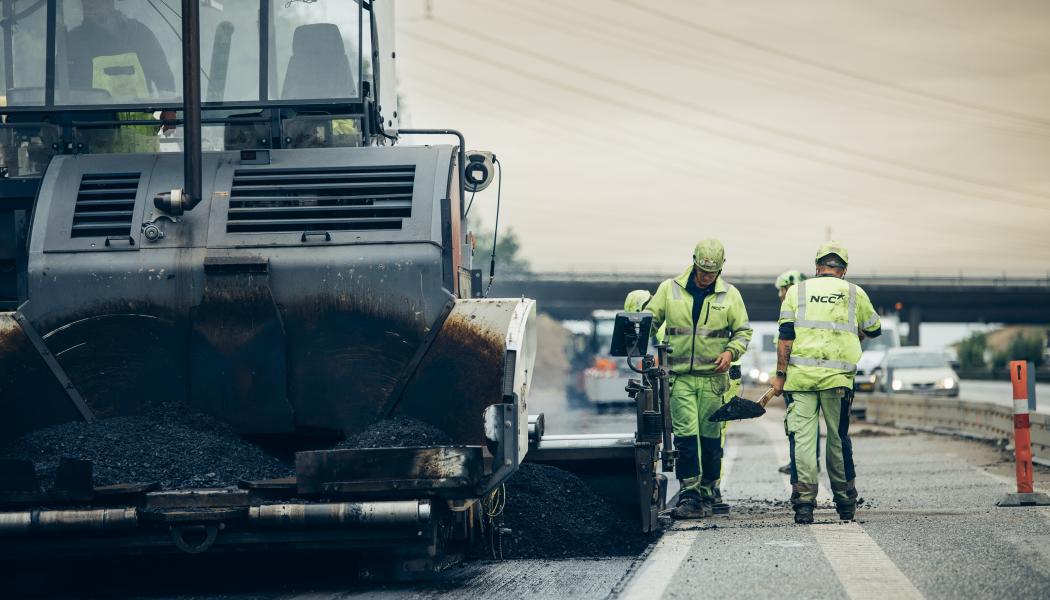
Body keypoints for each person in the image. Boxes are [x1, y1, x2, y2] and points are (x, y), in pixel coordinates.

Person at [771, 241, 882, 524]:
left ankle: (804, 505)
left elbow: (786, 337)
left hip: (800, 381)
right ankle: (845, 503)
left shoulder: (796, 292)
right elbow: (875, 329)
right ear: (843, 270)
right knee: (837, 439)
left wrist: (780, 376)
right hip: (837, 381)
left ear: (817, 267)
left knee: (803, 442)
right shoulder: (855, 293)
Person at [646, 239, 752, 519]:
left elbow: (743, 332)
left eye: (712, 273)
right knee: (686, 437)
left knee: (710, 439)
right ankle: (690, 495)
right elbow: (649, 322)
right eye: (703, 271)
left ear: (720, 268)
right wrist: (650, 351)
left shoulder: (730, 296)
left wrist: (731, 352)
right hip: (679, 379)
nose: (706, 277)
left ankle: (708, 491)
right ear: (694, 262)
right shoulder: (669, 290)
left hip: (712, 381)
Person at [66, 0, 176, 99]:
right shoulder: (73, 41)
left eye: (95, 1)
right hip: (91, 120)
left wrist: (170, 116)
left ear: (110, 2)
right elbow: (59, 89)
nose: (89, 4)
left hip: (142, 120)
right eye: (85, 1)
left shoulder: (139, 34)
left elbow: (165, 84)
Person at [773, 269, 807, 476]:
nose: (780, 294)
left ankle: (799, 467)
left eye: (782, 289)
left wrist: (780, 376)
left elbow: (787, 342)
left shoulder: (793, 309)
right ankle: (800, 463)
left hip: (795, 377)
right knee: (803, 427)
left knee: (797, 426)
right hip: (797, 374)